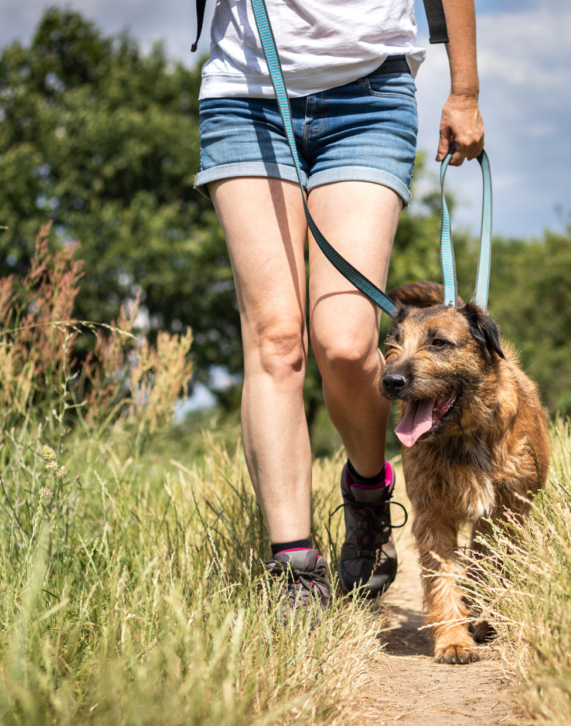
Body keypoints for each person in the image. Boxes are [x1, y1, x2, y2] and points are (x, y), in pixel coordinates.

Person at [193, 0, 485, 610]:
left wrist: (464, 90)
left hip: (369, 92)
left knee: (348, 345)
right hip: (246, 90)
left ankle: (369, 495)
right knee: (275, 340)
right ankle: (295, 566)